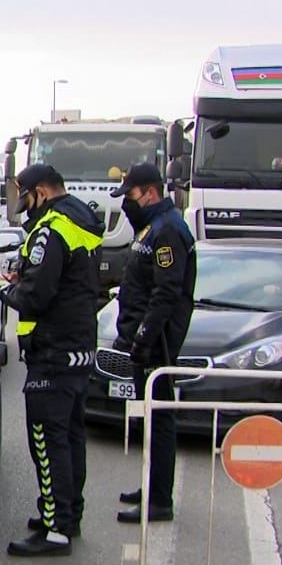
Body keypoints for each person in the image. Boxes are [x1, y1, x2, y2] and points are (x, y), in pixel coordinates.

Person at [0, 163, 103, 556]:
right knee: (70, 438)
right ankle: (67, 516)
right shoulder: (81, 219)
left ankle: (55, 530)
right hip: (77, 346)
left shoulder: (52, 229)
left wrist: (2, 288)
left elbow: (35, 297)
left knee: (48, 441)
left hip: (52, 351)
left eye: (27, 198)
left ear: (41, 191)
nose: (26, 207)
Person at [110, 163, 196, 524]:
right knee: (151, 419)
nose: (126, 203)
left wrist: (144, 337)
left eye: (129, 195)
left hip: (158, 342)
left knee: (160, 420)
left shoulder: (168, 230)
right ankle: (152, 486)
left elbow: (166, 294)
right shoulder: (152, 227)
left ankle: (160, 500)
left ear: (149, 192)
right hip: (146, 337)